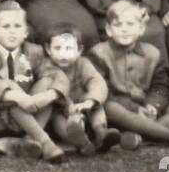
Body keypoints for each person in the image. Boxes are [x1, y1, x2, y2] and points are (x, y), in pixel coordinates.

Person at [88, 1, 169, 150]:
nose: (124, 30)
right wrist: (135, 109)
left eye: (130, 24)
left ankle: (138, 136)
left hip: (146, 107)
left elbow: (162, 86)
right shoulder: (99, 53)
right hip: (119, 110)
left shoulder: (152, 53)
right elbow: (103, 91)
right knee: (110, 107)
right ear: (109, 30)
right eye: (118, 25)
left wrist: (153, 105)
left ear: (141, 29)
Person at [0, 3, 66, 163]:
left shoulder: (34, 51)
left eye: (17, 26)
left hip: (28, 113)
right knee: (9, 90)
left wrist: (50, 95)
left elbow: (55, 75)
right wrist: (15, 95)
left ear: (25, 32)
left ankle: (28, 140)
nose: (12, 31)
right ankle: (45, 142)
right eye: (6, 26)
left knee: (48, 82)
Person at [31, 24, 114, 157]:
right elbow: (57, 90)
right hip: (62, 110)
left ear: (79, 50)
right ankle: (82, 143)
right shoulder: (47, 66)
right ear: (48, 49)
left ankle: (101, 133)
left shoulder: (83, 63)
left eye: (68, 49)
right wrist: (69, 108)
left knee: (98, 108)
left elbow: (96, 81)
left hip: (83, 105)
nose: (63, 54)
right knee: (57, 121)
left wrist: (89, 103)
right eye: (58, 48)